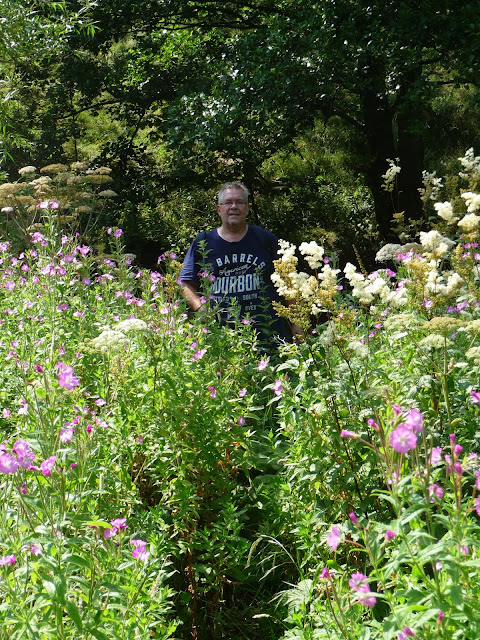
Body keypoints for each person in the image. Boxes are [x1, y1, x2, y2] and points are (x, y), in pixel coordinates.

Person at [178, 182, 293, 346]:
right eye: (228, 202)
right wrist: (200, 308)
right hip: (219, 338)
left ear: (247, 208)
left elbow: (288, 282)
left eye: (239, 202)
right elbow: (184, 283)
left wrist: (297, 324)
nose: (233, 207)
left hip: (268, 336)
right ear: (219, 209)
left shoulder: (265, 239)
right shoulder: (203, 242)